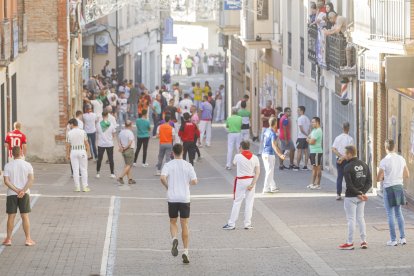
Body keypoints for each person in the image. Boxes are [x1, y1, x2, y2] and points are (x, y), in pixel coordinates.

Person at [160, 143, 197, 264]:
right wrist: (187, 184)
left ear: (172, 153)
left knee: (173, 221)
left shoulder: (168, 165)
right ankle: (186, 251)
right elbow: (194, 181)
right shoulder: (188, 165)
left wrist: (168, 186)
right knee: (185, 224)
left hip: (172, 197)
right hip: (185, 198)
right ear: (182, 152)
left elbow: (162, 178)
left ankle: (174, 239)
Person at [339, 145, 372, 250]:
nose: (344, 155)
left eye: (345, 153)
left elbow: (349, 184)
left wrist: (357, 193)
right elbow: (369, 182)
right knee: (361, 218)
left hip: (351, 197)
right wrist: (362, 193)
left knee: (351, 219)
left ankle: (350, 242)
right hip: (361, 197)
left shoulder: (347, 167)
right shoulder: (364, 165)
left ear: (349, 154)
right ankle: (363, 241)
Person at [378, 139, 410, 246]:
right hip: (399, 187)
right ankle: (403, 238)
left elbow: (378, 178)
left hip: (389, 188)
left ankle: (393, 240)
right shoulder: (401, 159)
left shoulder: (384, 161)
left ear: (386, 148)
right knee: (399, 213)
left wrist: (385, 177)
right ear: (394, 147)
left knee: (390, 214)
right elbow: (407, 175)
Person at [222, 141, 260, 230]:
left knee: (237, 202)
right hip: (251, 180)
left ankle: (231, 223)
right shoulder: (255, 158)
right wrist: (252, 184)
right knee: (249, 202)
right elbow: (257, 173)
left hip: (241, 180)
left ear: (241, 147)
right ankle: (247, 223)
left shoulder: (238, 156)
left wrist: (240, 152)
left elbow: (234, 163)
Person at [2, 146, 35, 246]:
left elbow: (6, 181)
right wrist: (23, 191)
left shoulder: (8, 165)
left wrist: (16, 190)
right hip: (24, 194)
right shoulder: (28, 165)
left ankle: (8, 239)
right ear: (21, 153)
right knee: (25, 216)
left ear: (12, 154)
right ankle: (28, 239)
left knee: (11, 216)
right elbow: (31, 179)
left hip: (11, 194)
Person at [262, 117, 286, 193]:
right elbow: (274, 145)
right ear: (275, 124)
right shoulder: (272, 133)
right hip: (269, 154)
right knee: (269, 171)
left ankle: (273, 187)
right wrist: (280, 155)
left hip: (264, 153)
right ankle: (266, 188)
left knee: (269, 171)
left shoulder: (266, 130)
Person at [66, 118, 90, 192]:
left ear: (72, 124)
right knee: (84, 169)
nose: (69, 126)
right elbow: (86, 143)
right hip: (82, 151)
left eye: (70, 124)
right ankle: (85, 187)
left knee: (75, 170)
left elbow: (68, 145)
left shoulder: (69, 133)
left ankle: (77, 187)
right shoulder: (83, 132)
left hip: (73, 152)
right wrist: (88, 153)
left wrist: (67, 154)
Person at [332, 122, 354, 200]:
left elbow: (333, 149)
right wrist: (344, 157)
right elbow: (350, 152)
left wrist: (340, 157)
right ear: (349, 128)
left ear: (342, 128)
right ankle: (349, 193)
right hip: (347, 161)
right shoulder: (350, 139)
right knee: (348, 177)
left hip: (339, 160)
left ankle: (338, 194)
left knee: (339, 177)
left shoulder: (338, 138)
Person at [96, 111, 116, 179]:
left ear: (102, 116)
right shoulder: (111, 124)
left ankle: (98, 173)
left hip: (101, 144)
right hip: (109, 144)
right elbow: (113, 135)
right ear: (107, 115)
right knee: (111, 159)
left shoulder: (98, 124)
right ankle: (112, 173)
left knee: (99, 159)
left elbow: (97, 132)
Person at [117, 120, 136, 185]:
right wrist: (125, 148)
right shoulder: (130, 133)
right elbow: (130, 143)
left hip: (123, 150)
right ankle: (120, 177)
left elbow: (119, 141)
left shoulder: (121, 132)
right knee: (129, 165)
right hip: (129, 150)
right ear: (130, 125)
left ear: (125, 125)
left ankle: (130, 179)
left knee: (127, 164)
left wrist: (121, 148)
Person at [307, 117, 323, 190]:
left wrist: (308, 140)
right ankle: (313, 183)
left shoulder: (318, 131)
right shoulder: (314, 130)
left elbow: (311, 142)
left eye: (313, 122)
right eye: (311, 122)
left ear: (317, 122)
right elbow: (308, 138)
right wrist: (309, 139)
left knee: (317, 168)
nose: (312, 123)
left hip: (317, 152)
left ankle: (317, 184)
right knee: (314, 168)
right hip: (313, 151)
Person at [296, 106, 311, 170]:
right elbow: (309, 128)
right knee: (306, 151)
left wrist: (306, 134)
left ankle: (297, 166)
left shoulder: (300, 119)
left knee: (299, 151)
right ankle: (305, 166)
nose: (297, 111)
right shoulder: (307, 118)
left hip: (301, 137)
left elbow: (301, 130)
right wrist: (308, 135)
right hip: (306, 138)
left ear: (302, 111)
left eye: (298, 110)